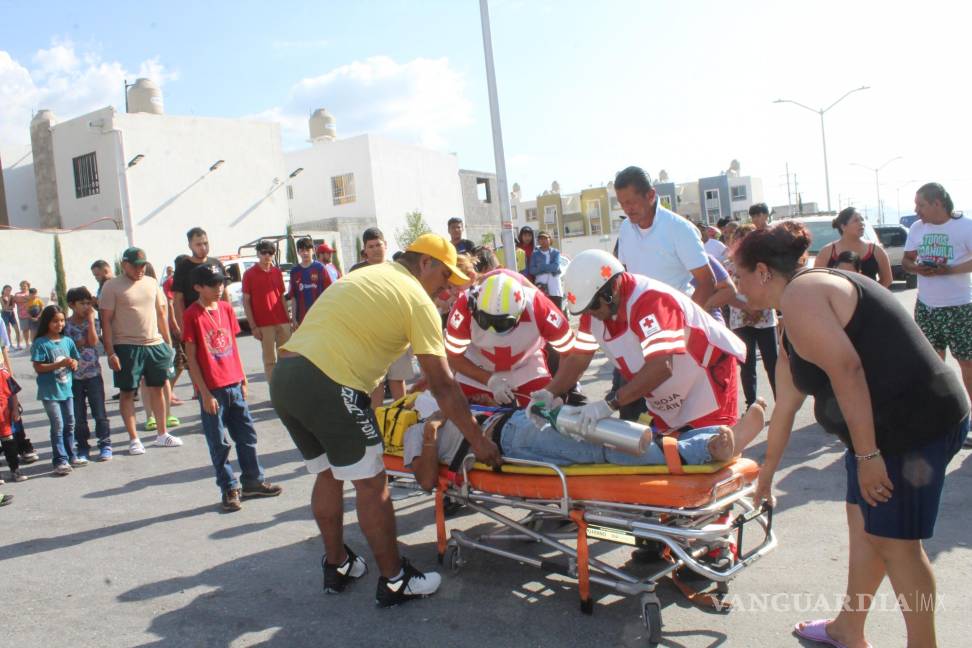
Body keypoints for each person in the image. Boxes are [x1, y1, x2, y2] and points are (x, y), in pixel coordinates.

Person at [737, 221, 969, 648]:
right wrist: (766, 475)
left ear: (764, 271)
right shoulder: (792, 312)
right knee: (863, 526)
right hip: (881, 430)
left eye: (740, 276)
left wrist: (867, 457)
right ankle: (849, 627)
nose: (737, 288)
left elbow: (848, 369)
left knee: (895, 543)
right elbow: (786, 405)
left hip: (912, 426)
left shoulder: (802, 296)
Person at [271, 233, 501, 607]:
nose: (445, 290)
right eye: (444, 278)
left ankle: (338, 564)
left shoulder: (368, 274)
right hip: (331, 382)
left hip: (287, 377)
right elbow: (444, 385)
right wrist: (479, 442)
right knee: (372, 483)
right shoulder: (416, 299)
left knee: (327, 473)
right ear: (424, 263)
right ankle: (395, 580)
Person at [530, 249, 746, 439]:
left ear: (611, 288)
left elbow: (661, 366)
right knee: (672, 456)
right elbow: (579, 357)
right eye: (586, 310)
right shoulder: (594, 310)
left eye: (593, 307)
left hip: (707, 379)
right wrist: (550, 392)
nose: (591, 315)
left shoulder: (650, 301)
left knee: (712, 451)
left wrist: (609, 403)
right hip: (667, 396)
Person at [406, 398, 766, 492]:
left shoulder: (451, 402)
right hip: (512, 442)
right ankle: (706, 449)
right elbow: (424, 482)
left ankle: (710, 441)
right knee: (603, 447)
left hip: (519, 421)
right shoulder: (413, 432)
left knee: (606, 428)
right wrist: (432, 427)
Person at [183, 264, 283, 511]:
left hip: (234, 383)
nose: (219, 288)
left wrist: (243, 378)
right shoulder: (192, 315)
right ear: (198, 287)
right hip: (213, 389)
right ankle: (229, 487)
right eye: (213, 284)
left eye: (221, 283)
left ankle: (253, 481)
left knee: (246, 435)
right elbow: (191, 357)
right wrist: (203, 392)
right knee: (219, 442)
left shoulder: (226, 309)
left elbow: (233, 345)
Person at [445, 270, 575, 407]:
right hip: (476, 372)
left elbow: (571, 354)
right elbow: (453, 357)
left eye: (502, 323)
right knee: (457, 413)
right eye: (485, 320)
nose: (493, 330)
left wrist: (556, 391)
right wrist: (489, 380)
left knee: (545, 416)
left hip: (526, 370)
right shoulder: (464, 307)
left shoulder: (540, 307)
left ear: (521, 311)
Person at [99, 247, 183, 454]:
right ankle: (134, 439)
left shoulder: (152, 283)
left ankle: (162, 434)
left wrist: (167, 343)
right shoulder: (111, 286)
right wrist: (110, 352)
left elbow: (161, 312)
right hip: (127, 346)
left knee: (158, 387)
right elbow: (106, 321)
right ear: (124, 265)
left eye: (143, 265)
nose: (140, 269)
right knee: (127, 392)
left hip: (154, 345)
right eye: (136, 266)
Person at [903, 182, 972, 413]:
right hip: (927, 307)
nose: (916, 210)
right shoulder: (917, 228)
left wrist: (949, 270)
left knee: (968, 365)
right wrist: (917, 268)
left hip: (961, 308)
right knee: (931, 366)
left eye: (920, 204)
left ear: (937, 203)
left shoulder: (965, 226)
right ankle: (941, 417)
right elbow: (906, 260)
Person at [614, 166, 716, 307]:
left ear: (650, 195)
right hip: (641, 319)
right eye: (622, 204)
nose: (626, 209)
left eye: (631, 202)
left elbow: (707, 282)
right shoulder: (625, 228)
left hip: (675, 319)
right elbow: (625, 275)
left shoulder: (680, 228)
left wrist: (685, 322)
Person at [727, 224, 779, 409]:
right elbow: (728, 293)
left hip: (765, 318)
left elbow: (774, 288)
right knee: (747, 365)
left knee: (773, 363)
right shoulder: (729, 265)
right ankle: (751, 405)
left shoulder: (767, 264)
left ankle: (781, 403)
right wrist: (748, 308)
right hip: (740, 319)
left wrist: (759, 308)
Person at [31, 305, 83, 475]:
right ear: (47, 322)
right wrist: (59, 364)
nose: (59, 324)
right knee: (58, 425)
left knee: (70, 423)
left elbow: (75, 358)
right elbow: (38, 367)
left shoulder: (67, 341)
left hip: (66, 389)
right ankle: (60, 460)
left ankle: (71, 455)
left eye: (61, 320)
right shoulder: (40, 343)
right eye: (55, 321)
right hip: (50, 392)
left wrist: (74, 363)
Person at [65, 287, 112, 462]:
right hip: (73, 377)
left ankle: (105, 444)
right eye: (82, 303)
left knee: (100, 412)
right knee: (79, 416)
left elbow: (92, 342)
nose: (86, 307)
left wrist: (91, 321)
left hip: (93, 374)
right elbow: (69, 347)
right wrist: (78, 342)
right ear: (71, 304)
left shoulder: (93, 321)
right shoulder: (66, 324)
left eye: (88, 303)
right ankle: (83, 447)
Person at [243, 240, 292, 383]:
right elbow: (246, 301)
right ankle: (275, 391)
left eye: (270, 253)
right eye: (263, 252)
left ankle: (287, 389)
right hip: (264, 325)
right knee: (270, 360)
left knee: (286, 357)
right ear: (258, 254)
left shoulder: (277, 272)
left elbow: (281, 296)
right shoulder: (249, 274)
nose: (266, 256)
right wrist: (253, 327)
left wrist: (288, 321)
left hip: (282, 321)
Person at [814, 206, 892, 287]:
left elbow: (887, 280)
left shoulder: (876, 250)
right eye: (856, 220)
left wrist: (870, 295)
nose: (861, 223)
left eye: (862, 219)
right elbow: (817, 281)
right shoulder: (826, 252)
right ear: (843, 226)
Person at [172, 227, 228, 327]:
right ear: (190, 246)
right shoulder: (182, 268)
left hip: (217, 319)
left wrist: (227, 318)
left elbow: (225, 294)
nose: (203, 247)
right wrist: (183, 327)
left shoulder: (216, 263)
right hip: (195, 321)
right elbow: (178, 300)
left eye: (205, 243)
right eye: (198, 244)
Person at [290, 238, 328, 327]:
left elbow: (329, 292)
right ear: (298, 252)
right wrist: (294, 319)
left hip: (320, 316)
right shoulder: (294, 272)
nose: (305, 253)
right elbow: (293, 297)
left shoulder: (320, 268)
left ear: (313, 251)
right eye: (302, 250)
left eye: (308, 250)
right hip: (302, 318)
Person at [0, 363, 27, 483]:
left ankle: (15, 470)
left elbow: (13, 392)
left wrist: (15, 410)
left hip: (3, 416)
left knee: (9, 443)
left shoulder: (3, 374)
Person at [527, 231, 564, 311]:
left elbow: (555, 267)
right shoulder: (535, 254)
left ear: (550, 239)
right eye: (540, 238)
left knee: (557, 311)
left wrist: (541, 267)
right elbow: (532, 270)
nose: (543, 240)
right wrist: (547, 268)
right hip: (541, 287)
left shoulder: (555, 252)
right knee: (543, 311)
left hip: (555, 287)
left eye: (545, 238)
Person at [12, 281, 31, 350]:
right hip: (22, 315)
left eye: (25, 286)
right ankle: (27, 343)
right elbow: (17, 299)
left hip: (32, 314)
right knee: (25, 329)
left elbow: (33, 298)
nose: (23, 287)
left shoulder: (30, 293)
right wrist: (27, 299)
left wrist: (24, 299)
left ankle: (34, 342)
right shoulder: (17, 294)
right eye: (22, 286)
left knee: (33, 329)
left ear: (28, 286)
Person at [2, 285, 21, 350]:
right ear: (3, 290)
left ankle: (18, 345)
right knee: (8, 330)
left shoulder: (12, 297)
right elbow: (4, 307)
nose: (8, 291)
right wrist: (9, 299)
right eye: (7, 290)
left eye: (9, 290)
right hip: (4, 314)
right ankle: (10, 345)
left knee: (17, 329)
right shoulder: (1, 298)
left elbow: (13, 306)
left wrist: (8, 306)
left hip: (11, 314)